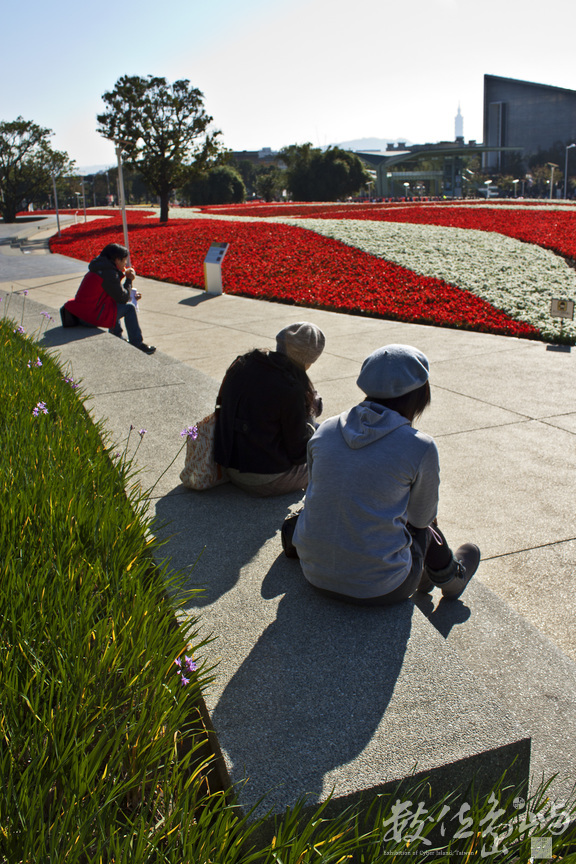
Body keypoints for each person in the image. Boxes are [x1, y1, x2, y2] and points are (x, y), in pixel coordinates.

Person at [291, 343, 480, 604]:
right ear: (419, 394)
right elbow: (421, 519)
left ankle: (430, 573)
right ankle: (449, 578)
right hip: (382, 587)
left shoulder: (326, 429)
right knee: (423, 521)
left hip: (313, 573)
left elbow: (316, 491)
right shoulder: (419, 446)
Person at [213, 322, 325, 497]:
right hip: (264, 479)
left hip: (230, 465)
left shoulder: (245, 362)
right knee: (330, 452)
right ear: (310, 359)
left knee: (319, 428)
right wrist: (309, 410)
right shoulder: (291, 387)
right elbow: (298, 453)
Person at [61, 243, 156, 354]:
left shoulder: (99, 268)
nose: (125, 263)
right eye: (124, 261)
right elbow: (122, 298)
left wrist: (128, 288)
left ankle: (117, 336)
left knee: (113, 304)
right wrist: (129, 280)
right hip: (90, 317)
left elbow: (113, 294)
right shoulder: (108, 273)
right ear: (117, 260)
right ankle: (137, 343)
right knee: (129, 308)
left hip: (82, 314)